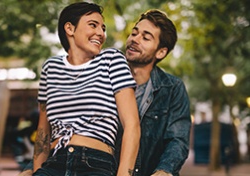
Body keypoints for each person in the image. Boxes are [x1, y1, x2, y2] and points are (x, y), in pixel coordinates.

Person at [30, 2, 140, 176]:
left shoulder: (112, 60)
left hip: (95, 163)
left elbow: (132, 125)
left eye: (102, 28)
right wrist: (37, 172)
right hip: (55, 163)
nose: (101, 33)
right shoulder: (50, 68)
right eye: (93, 25)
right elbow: (43, 134)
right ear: (70, 28)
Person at [116, 9, 191, 176]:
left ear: (161, 52)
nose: (135, 39)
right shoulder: (106, 80)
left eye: (145, 37)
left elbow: (177, 140)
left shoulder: (173, 88)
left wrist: (164, 171)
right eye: (134, 33)